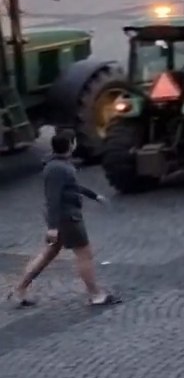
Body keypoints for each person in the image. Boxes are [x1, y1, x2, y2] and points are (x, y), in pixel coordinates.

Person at [8, 131, 118, 308]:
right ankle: (96, 295)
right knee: (84, 253)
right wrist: (52, 227)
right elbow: (53, 198)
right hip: (67, 218)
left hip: (63, 217)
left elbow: (71, 186)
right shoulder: (57, 168)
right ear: (71, 144)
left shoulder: (57, 165)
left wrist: (93, 195)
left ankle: (19, 290)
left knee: (48, 254)